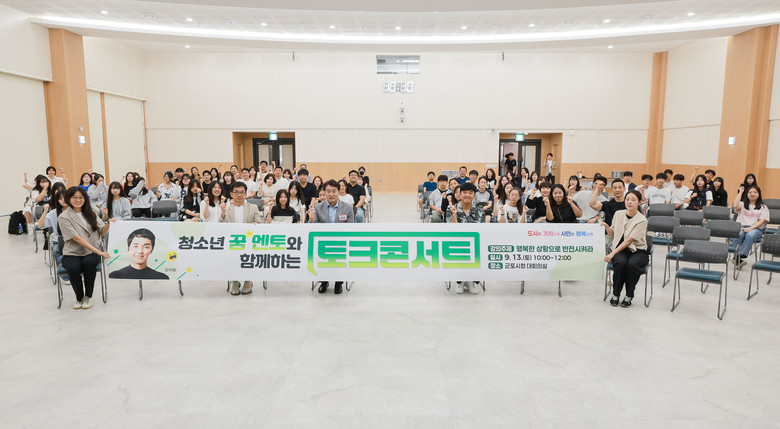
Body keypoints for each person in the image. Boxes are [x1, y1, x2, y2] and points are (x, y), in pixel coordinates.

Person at [58, 187, 111, 310]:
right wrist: (99, 252)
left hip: (91, 251)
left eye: (81, 197)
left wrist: (109, 223)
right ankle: (79, 297)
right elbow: (77, 238)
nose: (78, 200)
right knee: (73, 267)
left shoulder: (91, 213)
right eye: (74, 197)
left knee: (89, 263)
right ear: (68, 199)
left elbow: (102, 232)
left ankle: (88, 296)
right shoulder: (63, 217)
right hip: (73, 252)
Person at [602, 190, 648, 308]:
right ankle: (616, 294)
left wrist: (612, 254)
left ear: (639, 202)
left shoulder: (642, 220)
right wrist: (607, 227)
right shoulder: (618, 214)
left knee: (632, 265)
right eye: (627, 199)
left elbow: (628, 241)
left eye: (633, 200)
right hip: (621, 250)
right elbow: (613, 234)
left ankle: (629, 295)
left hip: (638, 250)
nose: (629, 202)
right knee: (621, 263)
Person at [308, 180, 354, 295]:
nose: (331, 194)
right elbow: (313, 227)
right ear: (324, 192)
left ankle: (339, 283)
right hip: (323, 242)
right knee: (320, 253)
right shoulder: (318, 207)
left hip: (341, 242)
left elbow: (351, 228)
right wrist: (311, 220)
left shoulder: (347, 208)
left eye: (334, 191)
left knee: (340, 255)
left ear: (339, 192)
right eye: (328, 191)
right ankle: (324, 282)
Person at [220, 182, 264, 295]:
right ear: (231, 194)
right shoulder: (227, 208)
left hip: (249, 242)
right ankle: (234, 281)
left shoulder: (253, 208)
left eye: (242, 192)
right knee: (231, 257)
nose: (239, 195)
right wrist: (223, 213)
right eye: (236, 192)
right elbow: (220, 226)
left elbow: (259, 223)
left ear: (245, 194)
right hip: (232, 242)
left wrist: (255, 224)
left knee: (248, 258)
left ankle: (248, 280)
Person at [446, 182, 484, 294]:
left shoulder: (480, 211)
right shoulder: (451, 209)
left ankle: (471, 281)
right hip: (456, 243)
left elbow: (482, 231)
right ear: (460, 194)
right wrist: (454, 215)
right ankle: (461, 281)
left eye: (470, 193)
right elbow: (451, 231)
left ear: (474, 195)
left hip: (474, 244)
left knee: (477, 252)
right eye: (465, 193)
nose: (467, 195)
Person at [731, 185, 769, 269]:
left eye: (755, 192)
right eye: (750, 192)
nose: (752, 194)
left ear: (759, 194)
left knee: (750, 235)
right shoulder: (742, 204)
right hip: (741, 226)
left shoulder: (763, 207)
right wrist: (740, 192)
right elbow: (735, 206)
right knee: (739, 234)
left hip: (756, 228)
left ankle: (739, 255)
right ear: (747, 194)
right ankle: (738, 259)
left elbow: (762, 221)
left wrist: (750, 228)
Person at [590, 177, 627, 252]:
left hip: (627, 234)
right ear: (612, 190)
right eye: (615, 188)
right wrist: (597, 189)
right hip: (610, 234)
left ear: (624, 189)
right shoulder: (608, 204)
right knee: (601, 244)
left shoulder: (629, 203)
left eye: (620, 187)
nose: (617, 190)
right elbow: (592, 204)